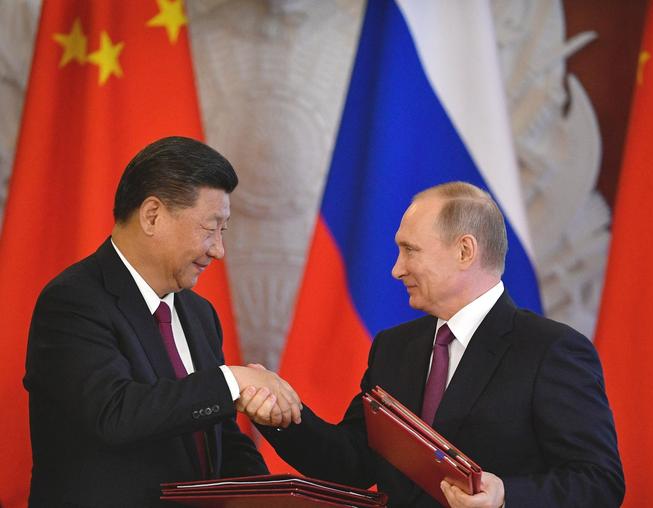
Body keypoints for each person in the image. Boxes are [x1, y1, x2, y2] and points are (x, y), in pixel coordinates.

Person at [239, 181, 624, 507]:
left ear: (464, 251)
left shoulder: (550, 350)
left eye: (410, 250)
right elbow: (352, 461)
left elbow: (599, 481)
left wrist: (505, 495)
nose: (396, 269)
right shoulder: (394, 348)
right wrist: (283, 417)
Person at [23, 136, 301, 507]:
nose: (219, 249)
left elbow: (219, 434)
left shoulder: (199, 314)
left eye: (224, 230)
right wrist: (231, 380)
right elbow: (115, 413)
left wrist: (266, 496)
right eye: (210, 227)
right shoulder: (72, 301)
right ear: (152, 215)